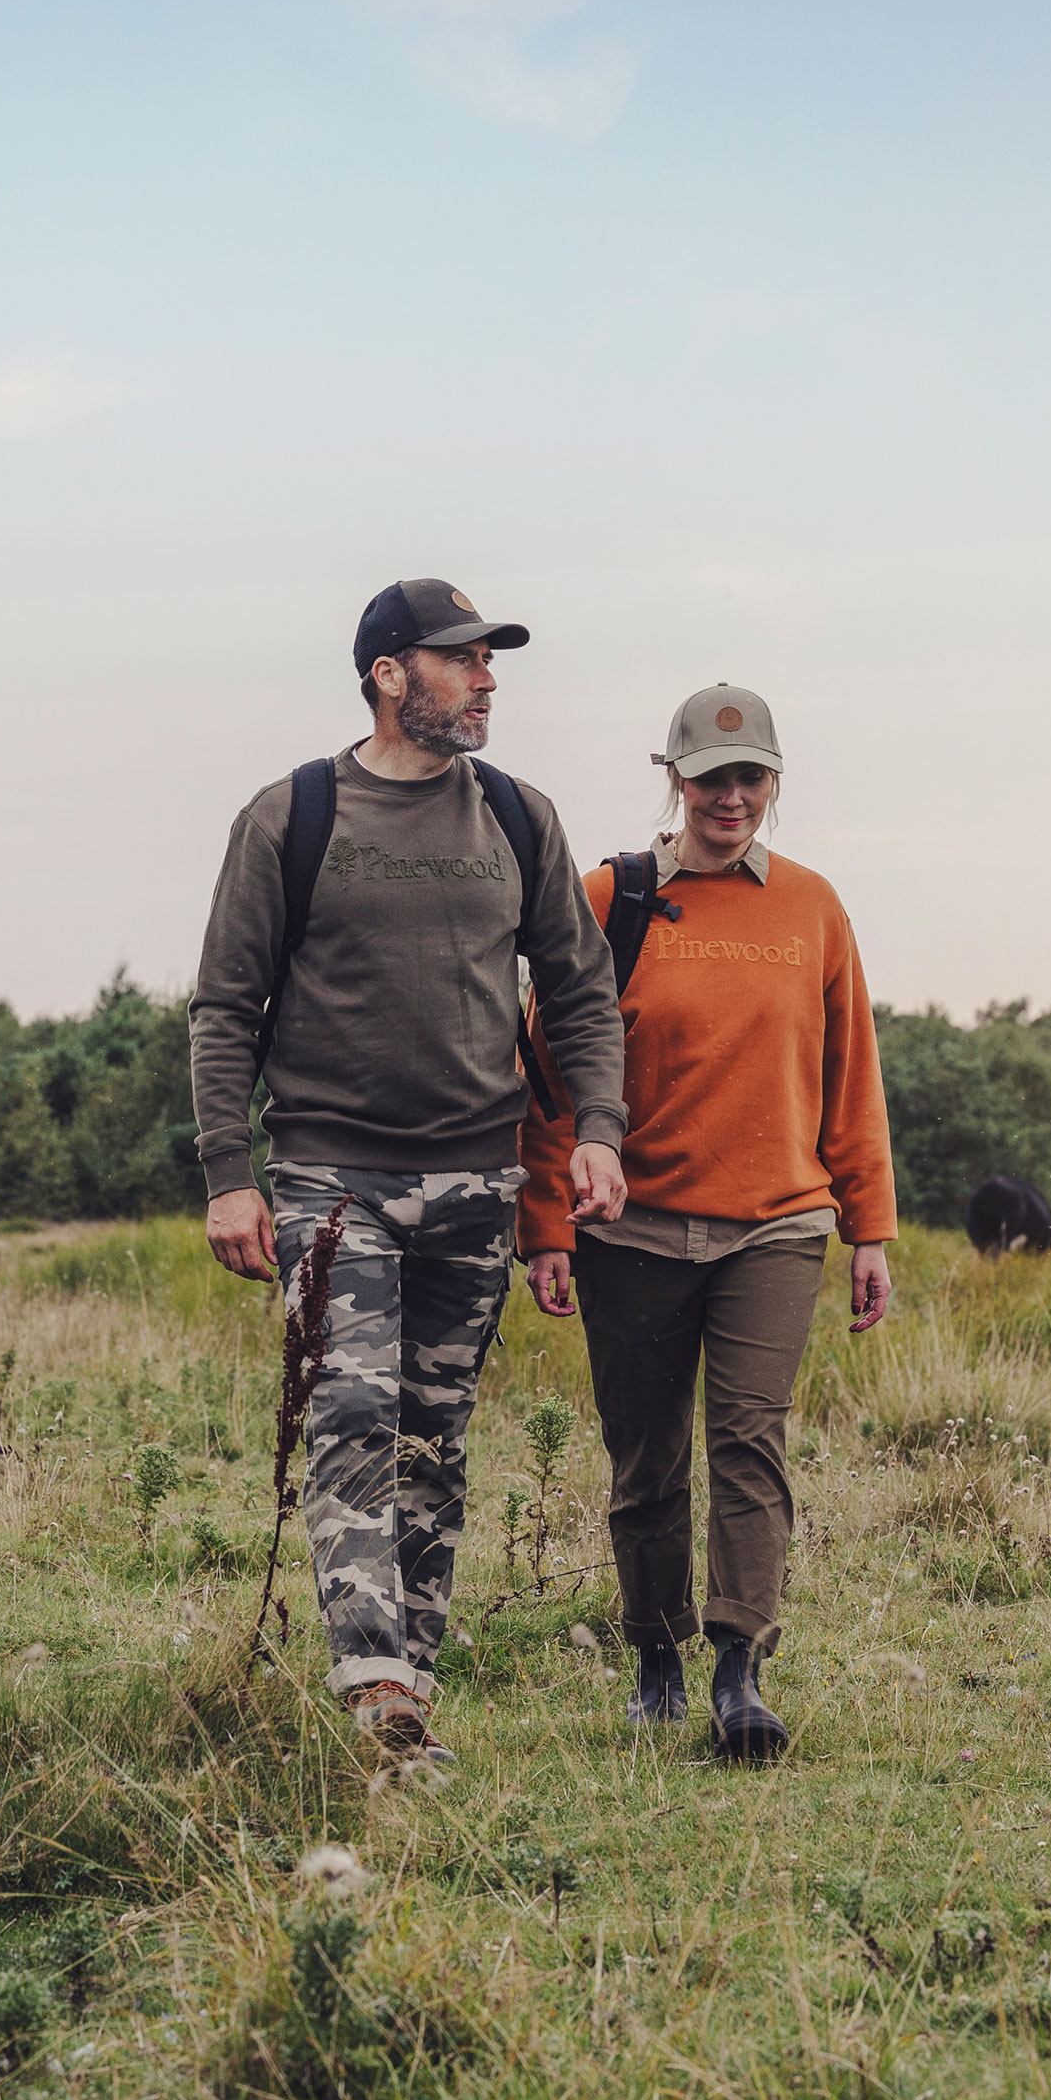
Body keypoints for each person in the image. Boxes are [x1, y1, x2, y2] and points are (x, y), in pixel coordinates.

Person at [190, 577, 628, 1762]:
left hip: (477, 1186)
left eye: (490, 661)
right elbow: (226, 1007)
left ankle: (411, 1694)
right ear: (390, 675)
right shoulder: (293, 816)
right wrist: (230, 1173)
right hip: (333, 1179)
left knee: (436, 1437)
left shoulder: (521, 820)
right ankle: (375, 1690)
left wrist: (597, 1128)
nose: (488, 679)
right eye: (463, 659)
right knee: (349, 1416)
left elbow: (579, 986)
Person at [519, 683, 896, 1761]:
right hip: (628, 1230)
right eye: (711, 777)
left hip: (775, 1225)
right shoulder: (609, 899)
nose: (731, 797)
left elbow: (850, 1075)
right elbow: (544, 1073)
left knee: (749, 1443)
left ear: (775, 783)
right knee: (645, 1460)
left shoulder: (814, 909)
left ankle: (740, 1668)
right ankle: (655, 1657)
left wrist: (869, 1225)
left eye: (751, 777)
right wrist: (546, 1221)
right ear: (674, 779)